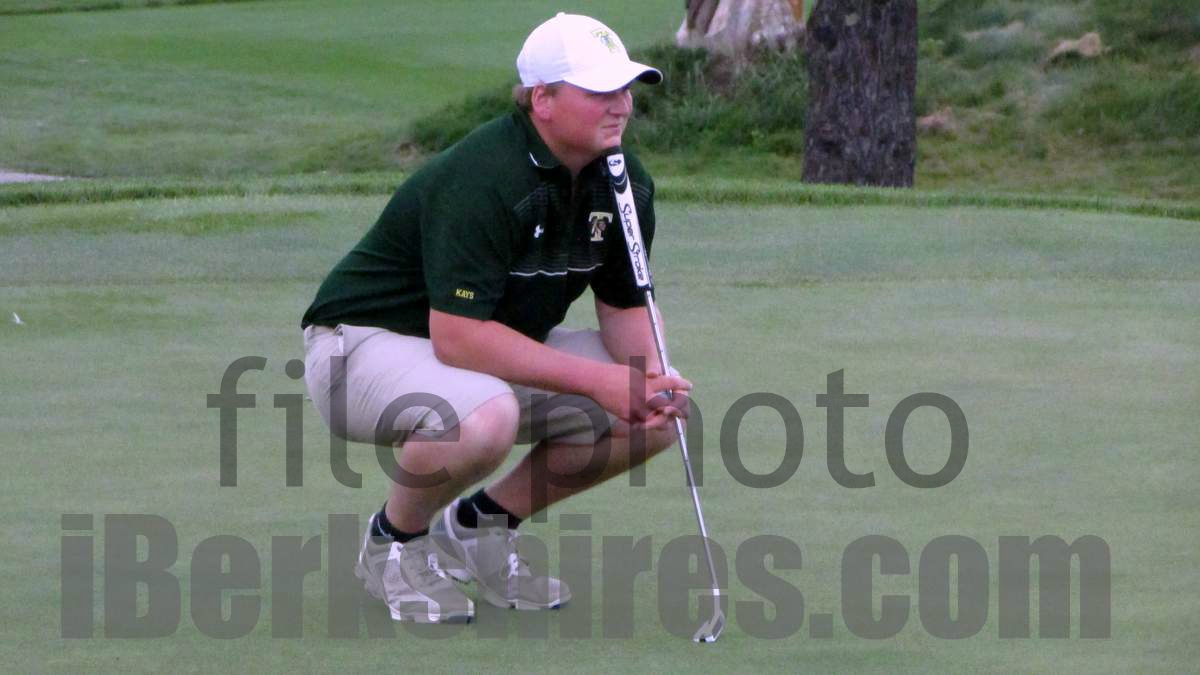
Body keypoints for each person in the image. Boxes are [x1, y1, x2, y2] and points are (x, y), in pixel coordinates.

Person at [300, 13, 690, 624]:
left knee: (652, 417)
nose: (621, 105)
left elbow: (624, 303)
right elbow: (457, 338)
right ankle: (393, 546)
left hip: (472, 356)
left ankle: (481, 527)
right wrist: (601, 382)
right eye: (600, 90)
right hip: (359, 348)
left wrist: (647, 379)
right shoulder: (483, 176)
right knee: (485, 416)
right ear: (543, 100)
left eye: (625, 88)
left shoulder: (622, 182)